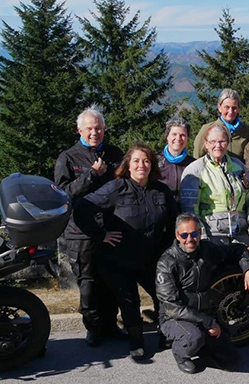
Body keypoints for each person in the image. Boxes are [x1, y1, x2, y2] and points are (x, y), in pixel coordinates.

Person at [74, 143, 175, 359]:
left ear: (152, 165)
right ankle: (136, 341)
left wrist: (167, 250)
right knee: (129, 302)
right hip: (118, 259)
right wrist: (101, 235)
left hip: (150, 258)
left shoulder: (161, 191)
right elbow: (82, 208)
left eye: (146, 161)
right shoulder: (115, 188)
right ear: (128, 165)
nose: (142, 165)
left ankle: (165, 334)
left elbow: (174, 221)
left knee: (164, 296)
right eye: (137, 161)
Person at [54, 107, 124, 347]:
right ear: (79, 130)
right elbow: (62, 194)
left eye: (99, 128)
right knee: (88, 283)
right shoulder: (68, 157)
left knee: (111, 279)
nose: (94, 132)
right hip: (80, 232)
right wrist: (91, 176)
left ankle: (111, 324)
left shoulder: (114, 153)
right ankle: (93, 328)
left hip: (111, 229)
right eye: (90, 128)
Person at [156, 213, 249, 374]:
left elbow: (237, 249)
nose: (190, 239)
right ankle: (180, 353)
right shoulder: (166, 263)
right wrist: (208, 322)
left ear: (200, 232)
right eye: (184, 235)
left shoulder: (207, 249)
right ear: (177, 235)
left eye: (194, 233)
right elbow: (171, 307)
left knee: (232, 361)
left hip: (204, 313)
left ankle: (202, 347)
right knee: (193, 337)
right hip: (175, 318)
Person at [180, 125, 249, 247]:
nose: (218, 146)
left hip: (240, 234)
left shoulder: (239, 167)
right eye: (213, 142)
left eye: (222, 141)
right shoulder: (195, 170)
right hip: (213, 236)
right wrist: (202, 238)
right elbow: (190, 211)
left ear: (227, 143)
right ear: (206, 144)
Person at [192, 88, 249, 159]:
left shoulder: (245, 130)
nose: (231, 111)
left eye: (234, 108)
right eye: (227, 107)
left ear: (238, 108)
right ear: (219, 107)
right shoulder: (207, 129)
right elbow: (197, 157)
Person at [158, 117, 195, 201]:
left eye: (182, 135)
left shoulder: (194, 164)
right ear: (167, 136)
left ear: (187, 138)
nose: (178, 138)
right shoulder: (155, 161)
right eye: (174, 134)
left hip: (185, 211)